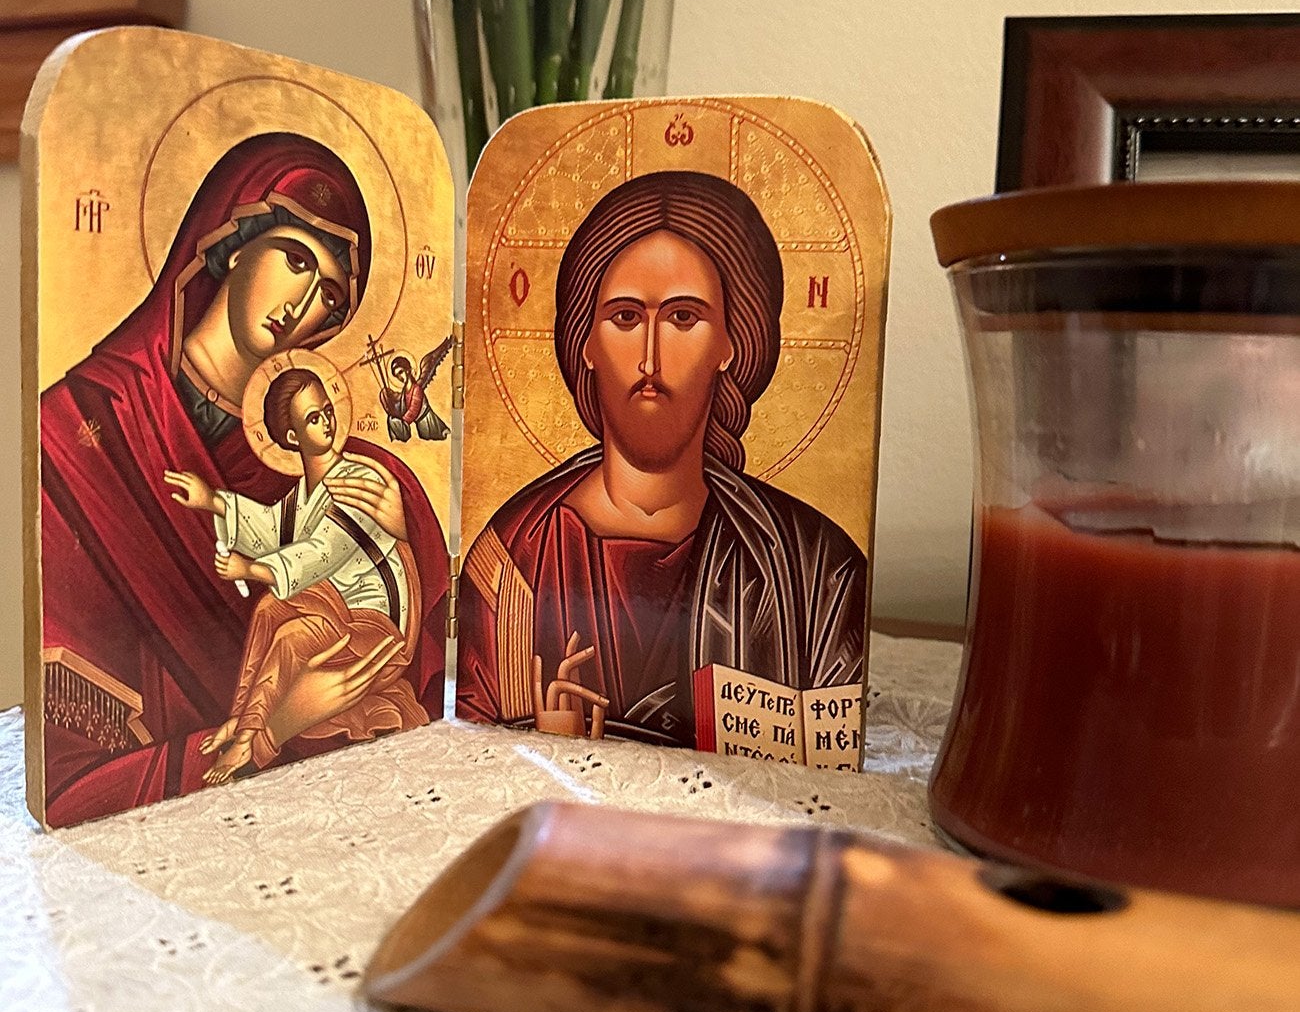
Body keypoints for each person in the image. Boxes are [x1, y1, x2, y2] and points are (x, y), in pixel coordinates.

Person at [39, 131, 449, 827]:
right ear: (231, 239)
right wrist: (276, 727)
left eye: (328, 294)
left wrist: (406, 537)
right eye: (294, 258)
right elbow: (72, 784)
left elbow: (420, 670)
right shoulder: (80, 433)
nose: (303, 304)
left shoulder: (348, 471)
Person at [456, 170, 866, 745]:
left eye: (682, 317)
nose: (650, 356)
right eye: (625, 317)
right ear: (587, 344)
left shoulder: (816, 570)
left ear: (731, 341)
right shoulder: (510, 563)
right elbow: (479, 753)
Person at [166, 365, 426, 785]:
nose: (327, 420)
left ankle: (253, 745)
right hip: (334, 612)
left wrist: (251, 569)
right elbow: (270, 528)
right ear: (292, 438)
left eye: (326, 409)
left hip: (374, 624)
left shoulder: (359, 479)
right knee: (270, 610)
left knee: (290, 636)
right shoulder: (299, 499)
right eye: (313, 418)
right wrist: (213, 501)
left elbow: (322, 551)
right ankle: (242, 719)